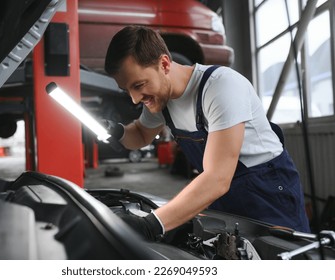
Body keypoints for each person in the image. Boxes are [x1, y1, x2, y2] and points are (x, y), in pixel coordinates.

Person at [102, 25, 310, 240]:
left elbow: (217, 178)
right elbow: (140, 134)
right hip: (222, 195)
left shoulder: (220, 87)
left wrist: (151, 224)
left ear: (164, 64)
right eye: (127, 90)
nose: (135, 98)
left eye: (139, 85)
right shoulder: (161, 99)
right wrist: (116, 131)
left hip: (268, 194)